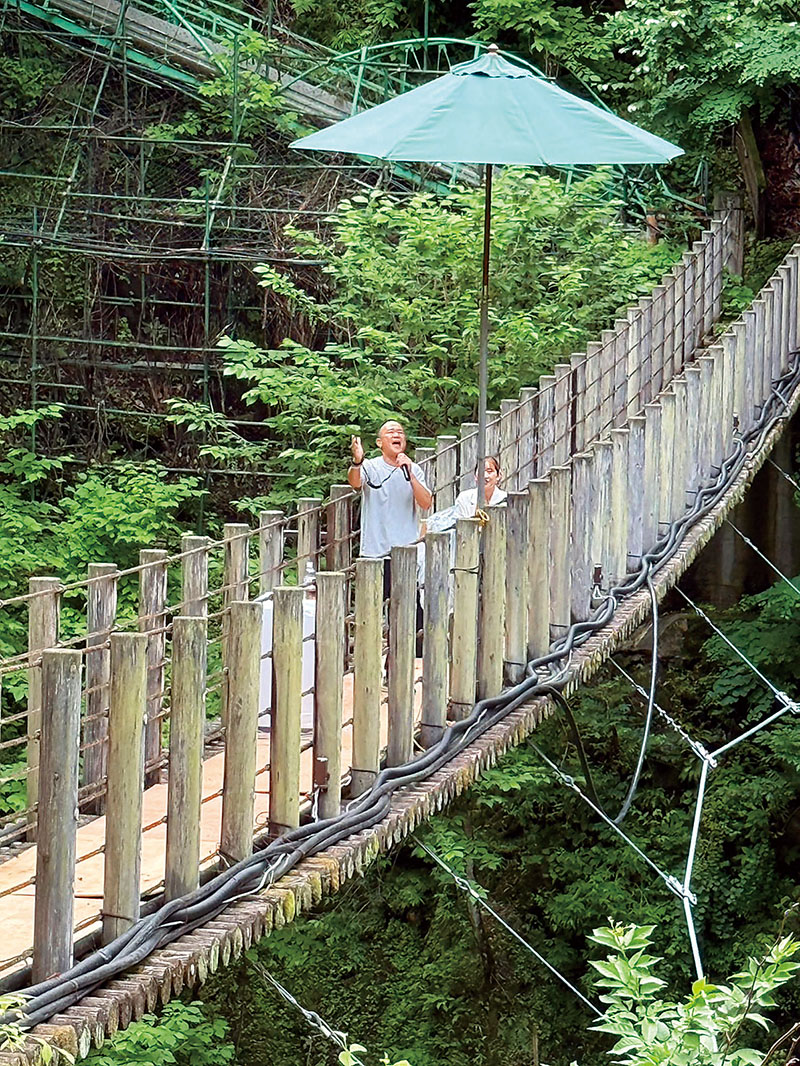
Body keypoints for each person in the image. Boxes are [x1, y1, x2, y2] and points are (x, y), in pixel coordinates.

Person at [348, 418, 432, 577]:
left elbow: (426, 503)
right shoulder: (370, 466)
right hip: (374, 552)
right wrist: (357, 461)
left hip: (407, 551)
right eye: (391, 432)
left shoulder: (414, 469)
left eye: (400, 432)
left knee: (407, 593)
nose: (396, 435)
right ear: (379, 443)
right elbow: (355, 483)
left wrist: (410, 474)